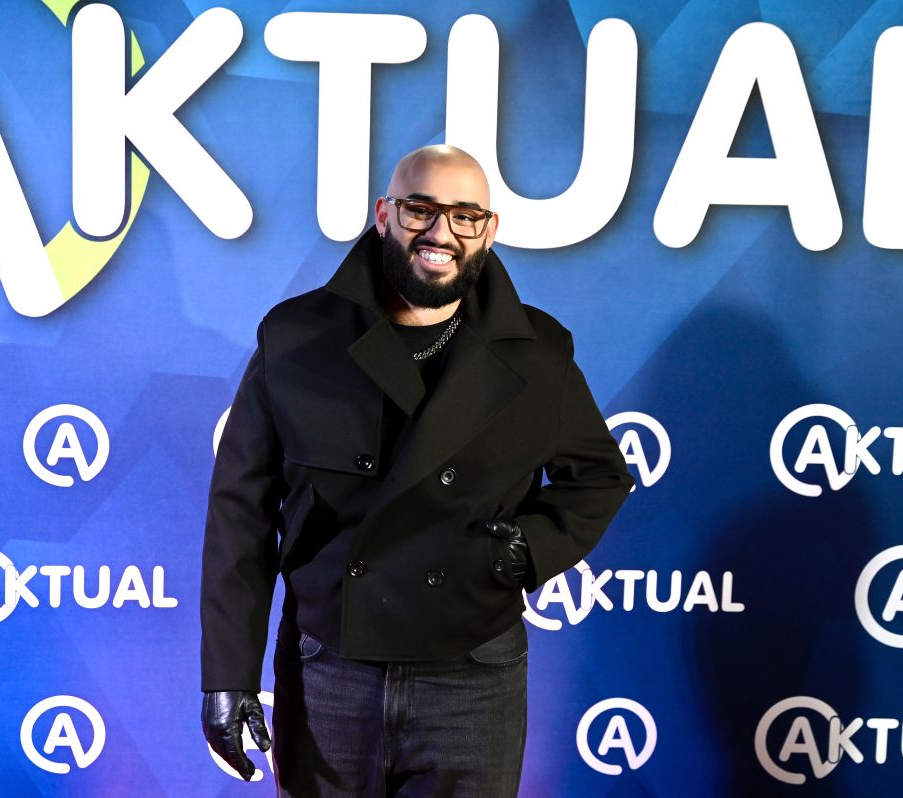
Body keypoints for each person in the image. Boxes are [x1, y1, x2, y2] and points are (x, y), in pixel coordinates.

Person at [200, 145, 632, 797]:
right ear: (384, 215)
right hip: (328, 668)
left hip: (472, 675)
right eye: (421, 210)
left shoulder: (537, 352)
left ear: (489, 229)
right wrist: (228, 675)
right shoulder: (297, 336)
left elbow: (599, 476)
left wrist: (525, 550)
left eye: (465, 216)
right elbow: (241, 514)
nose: (441, 232)